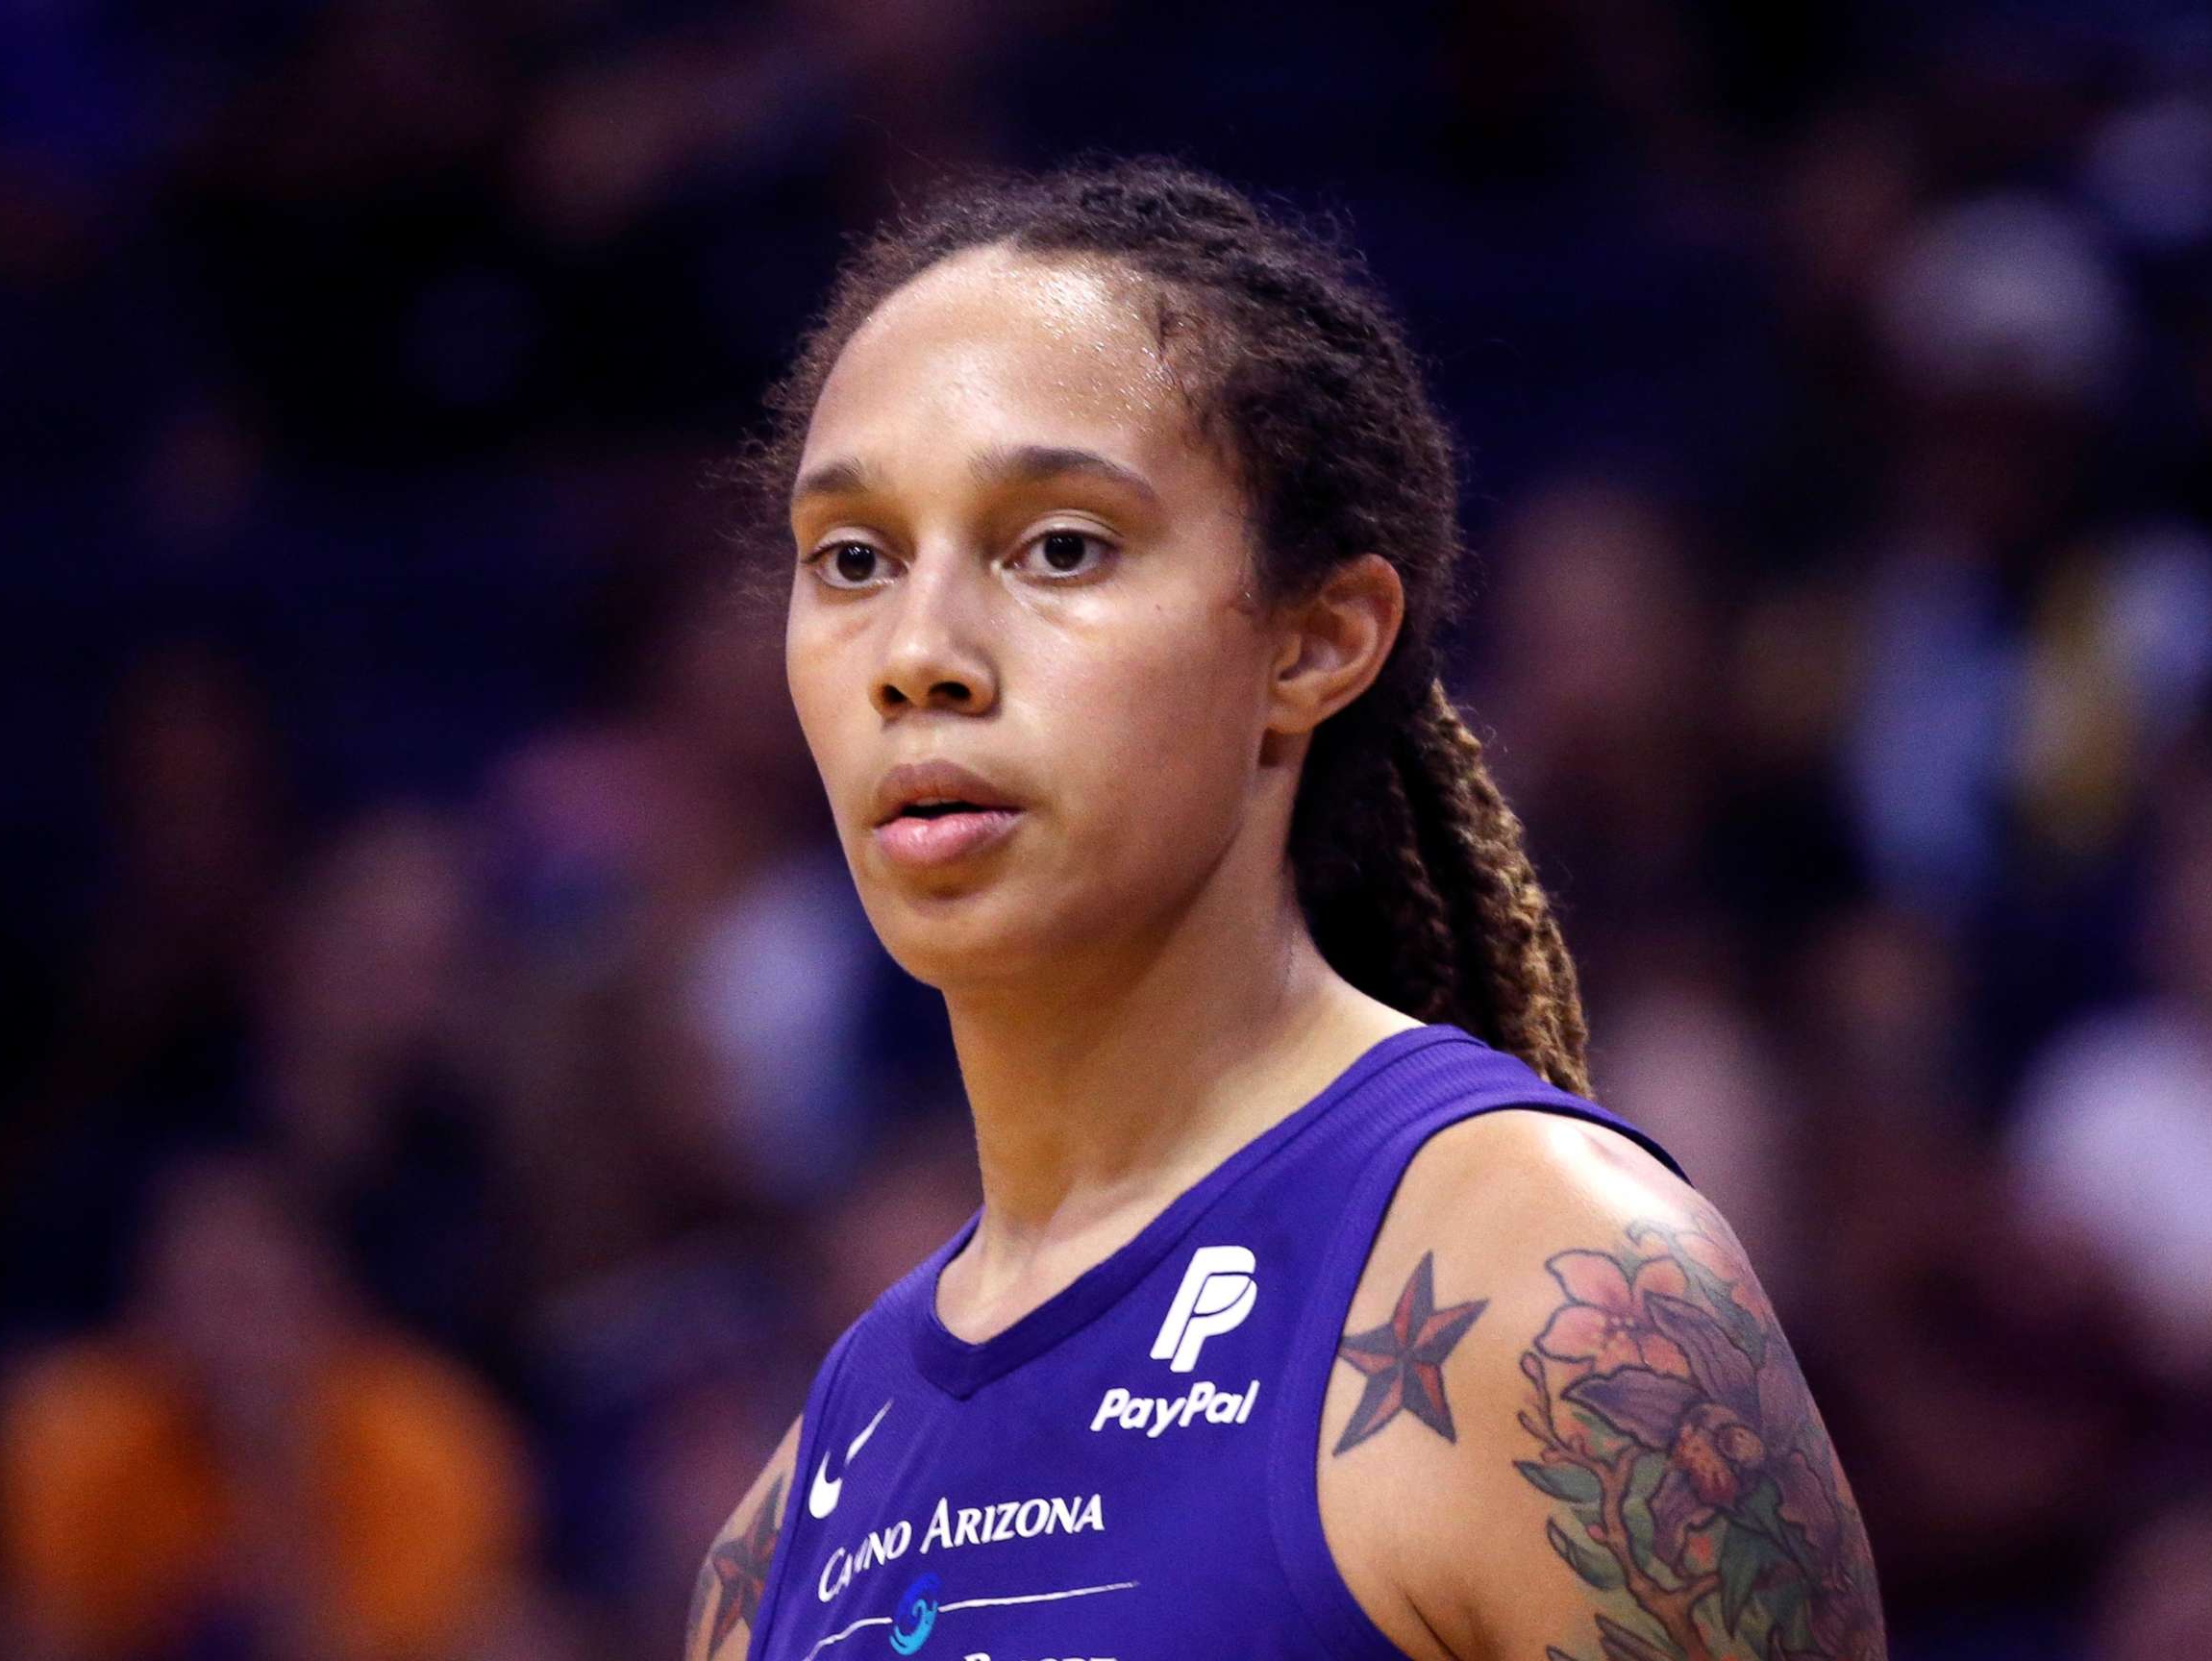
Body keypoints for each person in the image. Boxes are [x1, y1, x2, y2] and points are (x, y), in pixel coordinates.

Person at [683, 158, 1884, 1661]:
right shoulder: (782, 1530)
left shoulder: (1559, 1303)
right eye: (851, 560)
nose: (919, 652)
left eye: (1060, 545)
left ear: (1317, 643)